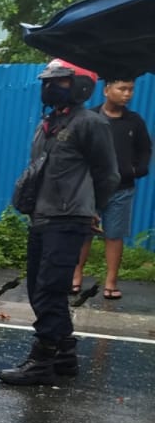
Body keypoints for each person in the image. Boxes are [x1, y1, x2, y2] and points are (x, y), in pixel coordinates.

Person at [0, 59, 118, 386]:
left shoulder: (91, 124)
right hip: (41, 216)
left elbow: (108, 175)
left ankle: (42, 360)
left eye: (61, 82)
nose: (51, 87)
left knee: (51, 288)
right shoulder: (48, 124)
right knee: (39, 288)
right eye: (48, 81)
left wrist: (93, 208)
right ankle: (64, 354)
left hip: (68, 219)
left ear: (80, 85)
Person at [71, 77, 151, 300]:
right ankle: (76, 276)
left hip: (122, 189)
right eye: (122, 89)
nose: (127, 94)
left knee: (114, 235)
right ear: (107, 90)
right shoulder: (91, 118)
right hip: (90, 188)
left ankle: (111, 282)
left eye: (131, 90)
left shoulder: (134, 121)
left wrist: (137, 170)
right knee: (84, 232)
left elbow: (145, 148)